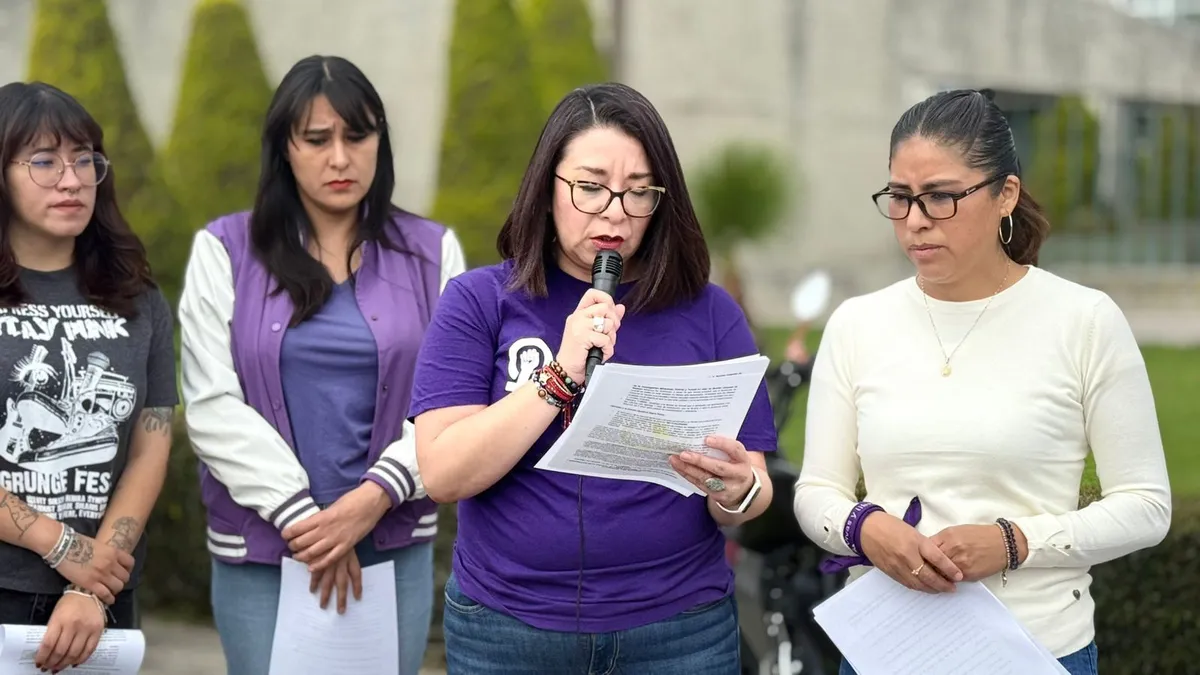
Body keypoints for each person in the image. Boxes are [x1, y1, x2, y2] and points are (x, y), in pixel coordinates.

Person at [793, 88, 1172, 675]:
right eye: (900, 197)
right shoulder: (857, 324)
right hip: (882, 652)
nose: (915, 221)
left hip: (1036, 650)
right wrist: (864, 528)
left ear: (1006, 195)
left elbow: (1146, 506)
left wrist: (1014, 542)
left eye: (940, 197)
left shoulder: (1084, 321)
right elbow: (817, 490)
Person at [409, 82, 778, 675]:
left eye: (639, 192)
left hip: (679, 631)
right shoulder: (479, 301)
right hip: (508, 629)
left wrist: (737, 492)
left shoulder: (710, 312)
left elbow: (750, 489)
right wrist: (561, 373)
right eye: (591, 187)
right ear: (546, 187)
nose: (615, 212)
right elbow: (444, 474)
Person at [178, 55, 465, 675]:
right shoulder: (224, 249)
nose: (340, 158)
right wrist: (306, 520)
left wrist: (372, 499)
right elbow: (210, 404)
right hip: (262, 551)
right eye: (317, 139)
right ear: (284, 148)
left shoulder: (433, 251)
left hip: (392, 545)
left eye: (357, 136)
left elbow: (454, 403)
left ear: (380, 141)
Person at [0, 81, 177, 672]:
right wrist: (58, 544)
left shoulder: (138, 298)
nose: (72, 180)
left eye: (84, 161)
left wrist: (92, 585)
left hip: (102, 599)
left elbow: (149, 449)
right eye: (44, 161)